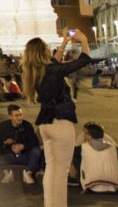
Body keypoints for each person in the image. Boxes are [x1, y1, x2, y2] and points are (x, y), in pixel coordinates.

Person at [22, 28, 91, 207]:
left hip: (46, 126)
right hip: (61, 123)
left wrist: (64, 43)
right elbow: (84, 60)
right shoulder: (51, 70)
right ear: (43, 51)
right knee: (61, 172)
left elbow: (53, 63)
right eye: (46, 48)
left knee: (52, 169)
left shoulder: (34, 72)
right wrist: (83, 40)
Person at [67, 122, 118, 194]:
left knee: (73, 155)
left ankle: (73, 179)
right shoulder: (114, 148)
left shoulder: (83, 147)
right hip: (114, 185)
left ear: (89, 136)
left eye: (85, 134)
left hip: (91, 184)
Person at [0, 104, 42, 185]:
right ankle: (7, 173)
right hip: (10, 155)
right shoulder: (4, 126)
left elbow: (34, 142)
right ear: (10, 117)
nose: (20, 118)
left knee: (37, 150)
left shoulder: (27, 125)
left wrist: (23, 146)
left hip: (24, 155)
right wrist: (6, 143)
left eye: (21, 115)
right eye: (16, 115)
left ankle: (28, 174)